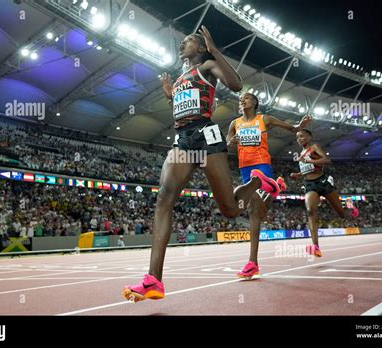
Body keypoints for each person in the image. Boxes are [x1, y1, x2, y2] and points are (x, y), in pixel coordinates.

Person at [122, 26, 281, 302]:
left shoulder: (207, 65)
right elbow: (184, 103)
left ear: (201, 47)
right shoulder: (182, 75)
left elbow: (236, 85)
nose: (182, 45)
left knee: (231, 210)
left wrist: (216, 50)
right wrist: (171, 95)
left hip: (206, 136)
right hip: (183, 139)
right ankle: (153, 280)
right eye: (182, 42)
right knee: (164, 198)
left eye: (188, 41)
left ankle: (258, 182)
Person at [226, 92, 312, 279]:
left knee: (255, 199)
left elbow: (291, 128)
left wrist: (300, 126)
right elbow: (226, 145)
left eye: (246, 98)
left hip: (261, 163)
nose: (242, 100)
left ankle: (265, 184)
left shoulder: (264, 119)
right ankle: (253, 264)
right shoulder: (235, 123)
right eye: (241, 99)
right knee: (255, 211)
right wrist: (231, 142)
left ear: (255, 102)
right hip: (244, 167)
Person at [290, 129, 359, 257]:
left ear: (309, 137)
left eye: (301, 136)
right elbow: (308, 170)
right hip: (310, 185)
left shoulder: (314, 147)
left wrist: (309, 161)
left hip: (323, 182)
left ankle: (350, 208)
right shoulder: (301, 153)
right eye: (297, 137)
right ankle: (315, 246)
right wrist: (298, 175)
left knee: (342, 215)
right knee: (310, 211)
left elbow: (327, 161)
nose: (299, 139)